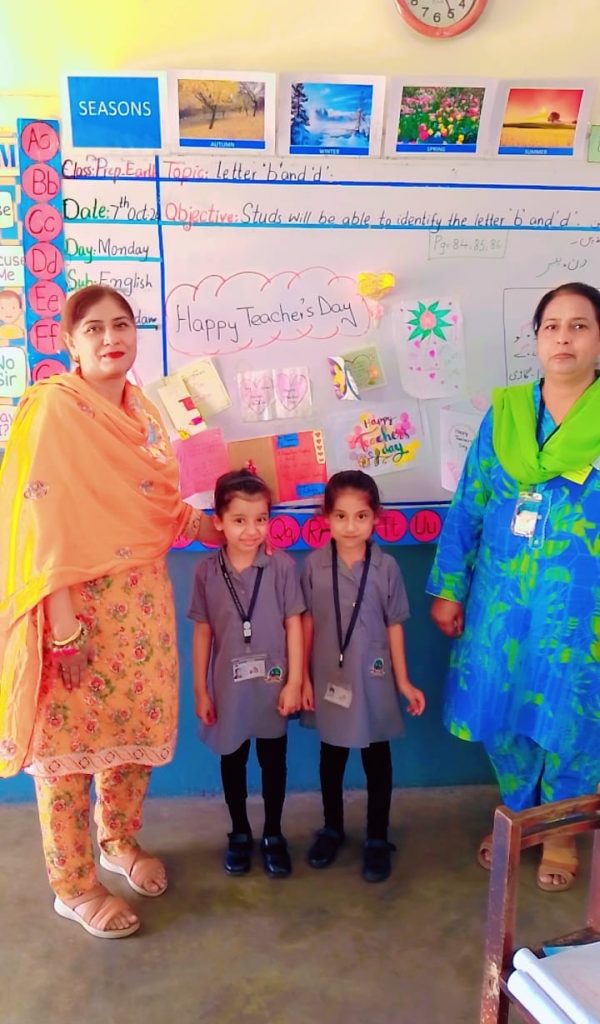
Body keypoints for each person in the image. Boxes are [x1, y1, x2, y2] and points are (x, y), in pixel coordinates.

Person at [0, 284, 219, 938]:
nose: (109, 338)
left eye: (120, 324)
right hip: (74, 608)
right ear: (69, 342)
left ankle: (117, 840)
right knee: (67, 751)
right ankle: (73, 885)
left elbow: (152, 500)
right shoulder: (53, 410)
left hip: (142, 603)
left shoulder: (143, 410)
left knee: (130, 733)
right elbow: (41, 523)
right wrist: (64, 627)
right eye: (92, 328)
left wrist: (205, 526)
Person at [428, 282, 600, 892]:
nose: (563, 337)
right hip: (502, 601)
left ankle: (561, 831)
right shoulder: (504, 416)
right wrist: (449, 588)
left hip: (582, 608)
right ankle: (520, 813)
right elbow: (469, 505)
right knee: (502, 712)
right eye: (552, 325)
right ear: (536, 339)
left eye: (579, 325)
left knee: (573, 715)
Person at [301, 470, 426, 883]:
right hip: (328, 679)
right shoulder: (314, 566)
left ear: (376, 518)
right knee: (332, 757)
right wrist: (301, 679)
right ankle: (332, 828)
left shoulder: (386, 567)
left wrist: (403, 682)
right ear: (325, 517)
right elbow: (305, 625)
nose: (350, 526)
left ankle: (377, 837)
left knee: (377, 760)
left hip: (374, 679)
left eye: (361, 516)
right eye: (340, 516)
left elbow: (395, 625)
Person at [189, 470, 304, 878]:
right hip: (227, 688)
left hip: (273, 684)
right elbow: (203, 631)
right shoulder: (206, 571)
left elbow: (294, 623)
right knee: (232, 759)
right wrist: (201, 690)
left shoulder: (282, 566)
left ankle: (273, 833)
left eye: (261, 519)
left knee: (274, 760)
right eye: (239, 520)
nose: (252, 530)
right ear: (219, 521)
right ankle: (239, 832)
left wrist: (295, 681)